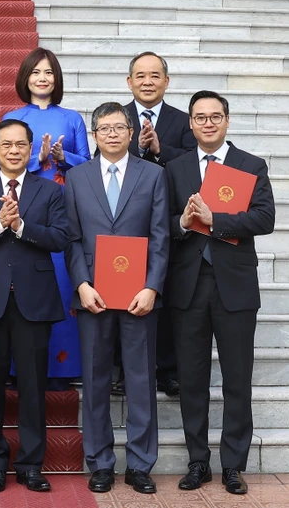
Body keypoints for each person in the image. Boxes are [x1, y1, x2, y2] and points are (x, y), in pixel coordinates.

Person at [164, 90, 275, 495]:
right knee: (192, 379)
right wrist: (184, 221)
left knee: (237, 379)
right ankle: (198, 462)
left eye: (215, 116)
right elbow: (162, 223)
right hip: (188, 285)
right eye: (199, 117)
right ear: (190, 124)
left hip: (235, 285)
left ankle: (233, 465)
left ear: (227, 120)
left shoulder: (250, 164)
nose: (207, 123)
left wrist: (217, 220)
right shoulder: (174, 168)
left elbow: (265, 217)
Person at [64, 102, 169, 495]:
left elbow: (160, 236)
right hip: (93, 295)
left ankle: (141, 464)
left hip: (139, 296)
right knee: (94, 380)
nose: (111, 134)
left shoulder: (154, 175)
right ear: (94, 135)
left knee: (141, 380)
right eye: (103, 128)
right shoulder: (76, 177)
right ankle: (101, 462)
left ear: (130, 132)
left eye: (118, 127)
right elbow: (72, 238)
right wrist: (81, 284)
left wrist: (152, 286)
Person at [0, 119, 69, 493]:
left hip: (33, 299)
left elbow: (60, 238)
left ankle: (30, 463)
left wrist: (21, 227)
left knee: (33, 386)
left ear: (30, 148)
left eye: (20, 144)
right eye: (5, 144)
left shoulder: (49, 190)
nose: (13, 150)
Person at [3, 47, 89, 390]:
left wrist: (61, 155)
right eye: (36, 72)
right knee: (25, 284)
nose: (42, 78)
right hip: (25, 206)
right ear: (26, 78)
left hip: (61, 207)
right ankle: (19, 366)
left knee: (62, 284)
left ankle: (63, 369)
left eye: (48, 73)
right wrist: (36, 160)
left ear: (57, 79)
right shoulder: (13, 117)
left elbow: (86, 163)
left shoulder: (72, 118)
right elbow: (4, 161)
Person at [113, 51, 197, 398]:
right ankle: (120, 369)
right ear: (129, 81)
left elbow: (195, 165)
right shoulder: (117, 118)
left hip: (171, 219)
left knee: (166, 294)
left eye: (154, 75)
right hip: (126, 220)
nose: (147, 81)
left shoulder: (183, 120)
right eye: (140, 76)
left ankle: (167, 369)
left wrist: (161, 150)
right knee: (122, 294)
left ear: (166, 81)